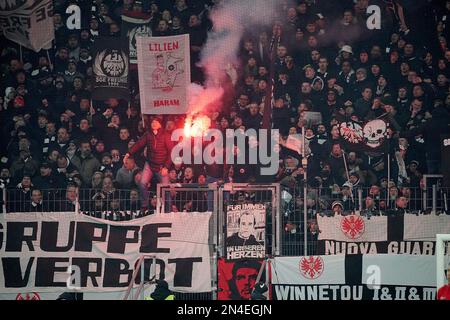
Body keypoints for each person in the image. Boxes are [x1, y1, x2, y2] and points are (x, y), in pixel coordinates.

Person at [124, 118, 173, 210]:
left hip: (161, 166)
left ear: (160, 124)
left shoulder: (166, 135)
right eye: (152, 122)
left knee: (166, 189)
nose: (154, 124)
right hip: (150, 164)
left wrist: (166, 167)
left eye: (156, 122)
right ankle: (144, 205)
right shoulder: (148, 134)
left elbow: (172, 152)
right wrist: (128, 153)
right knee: (142, 183)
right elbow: (139, 144)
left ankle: (169, 210)